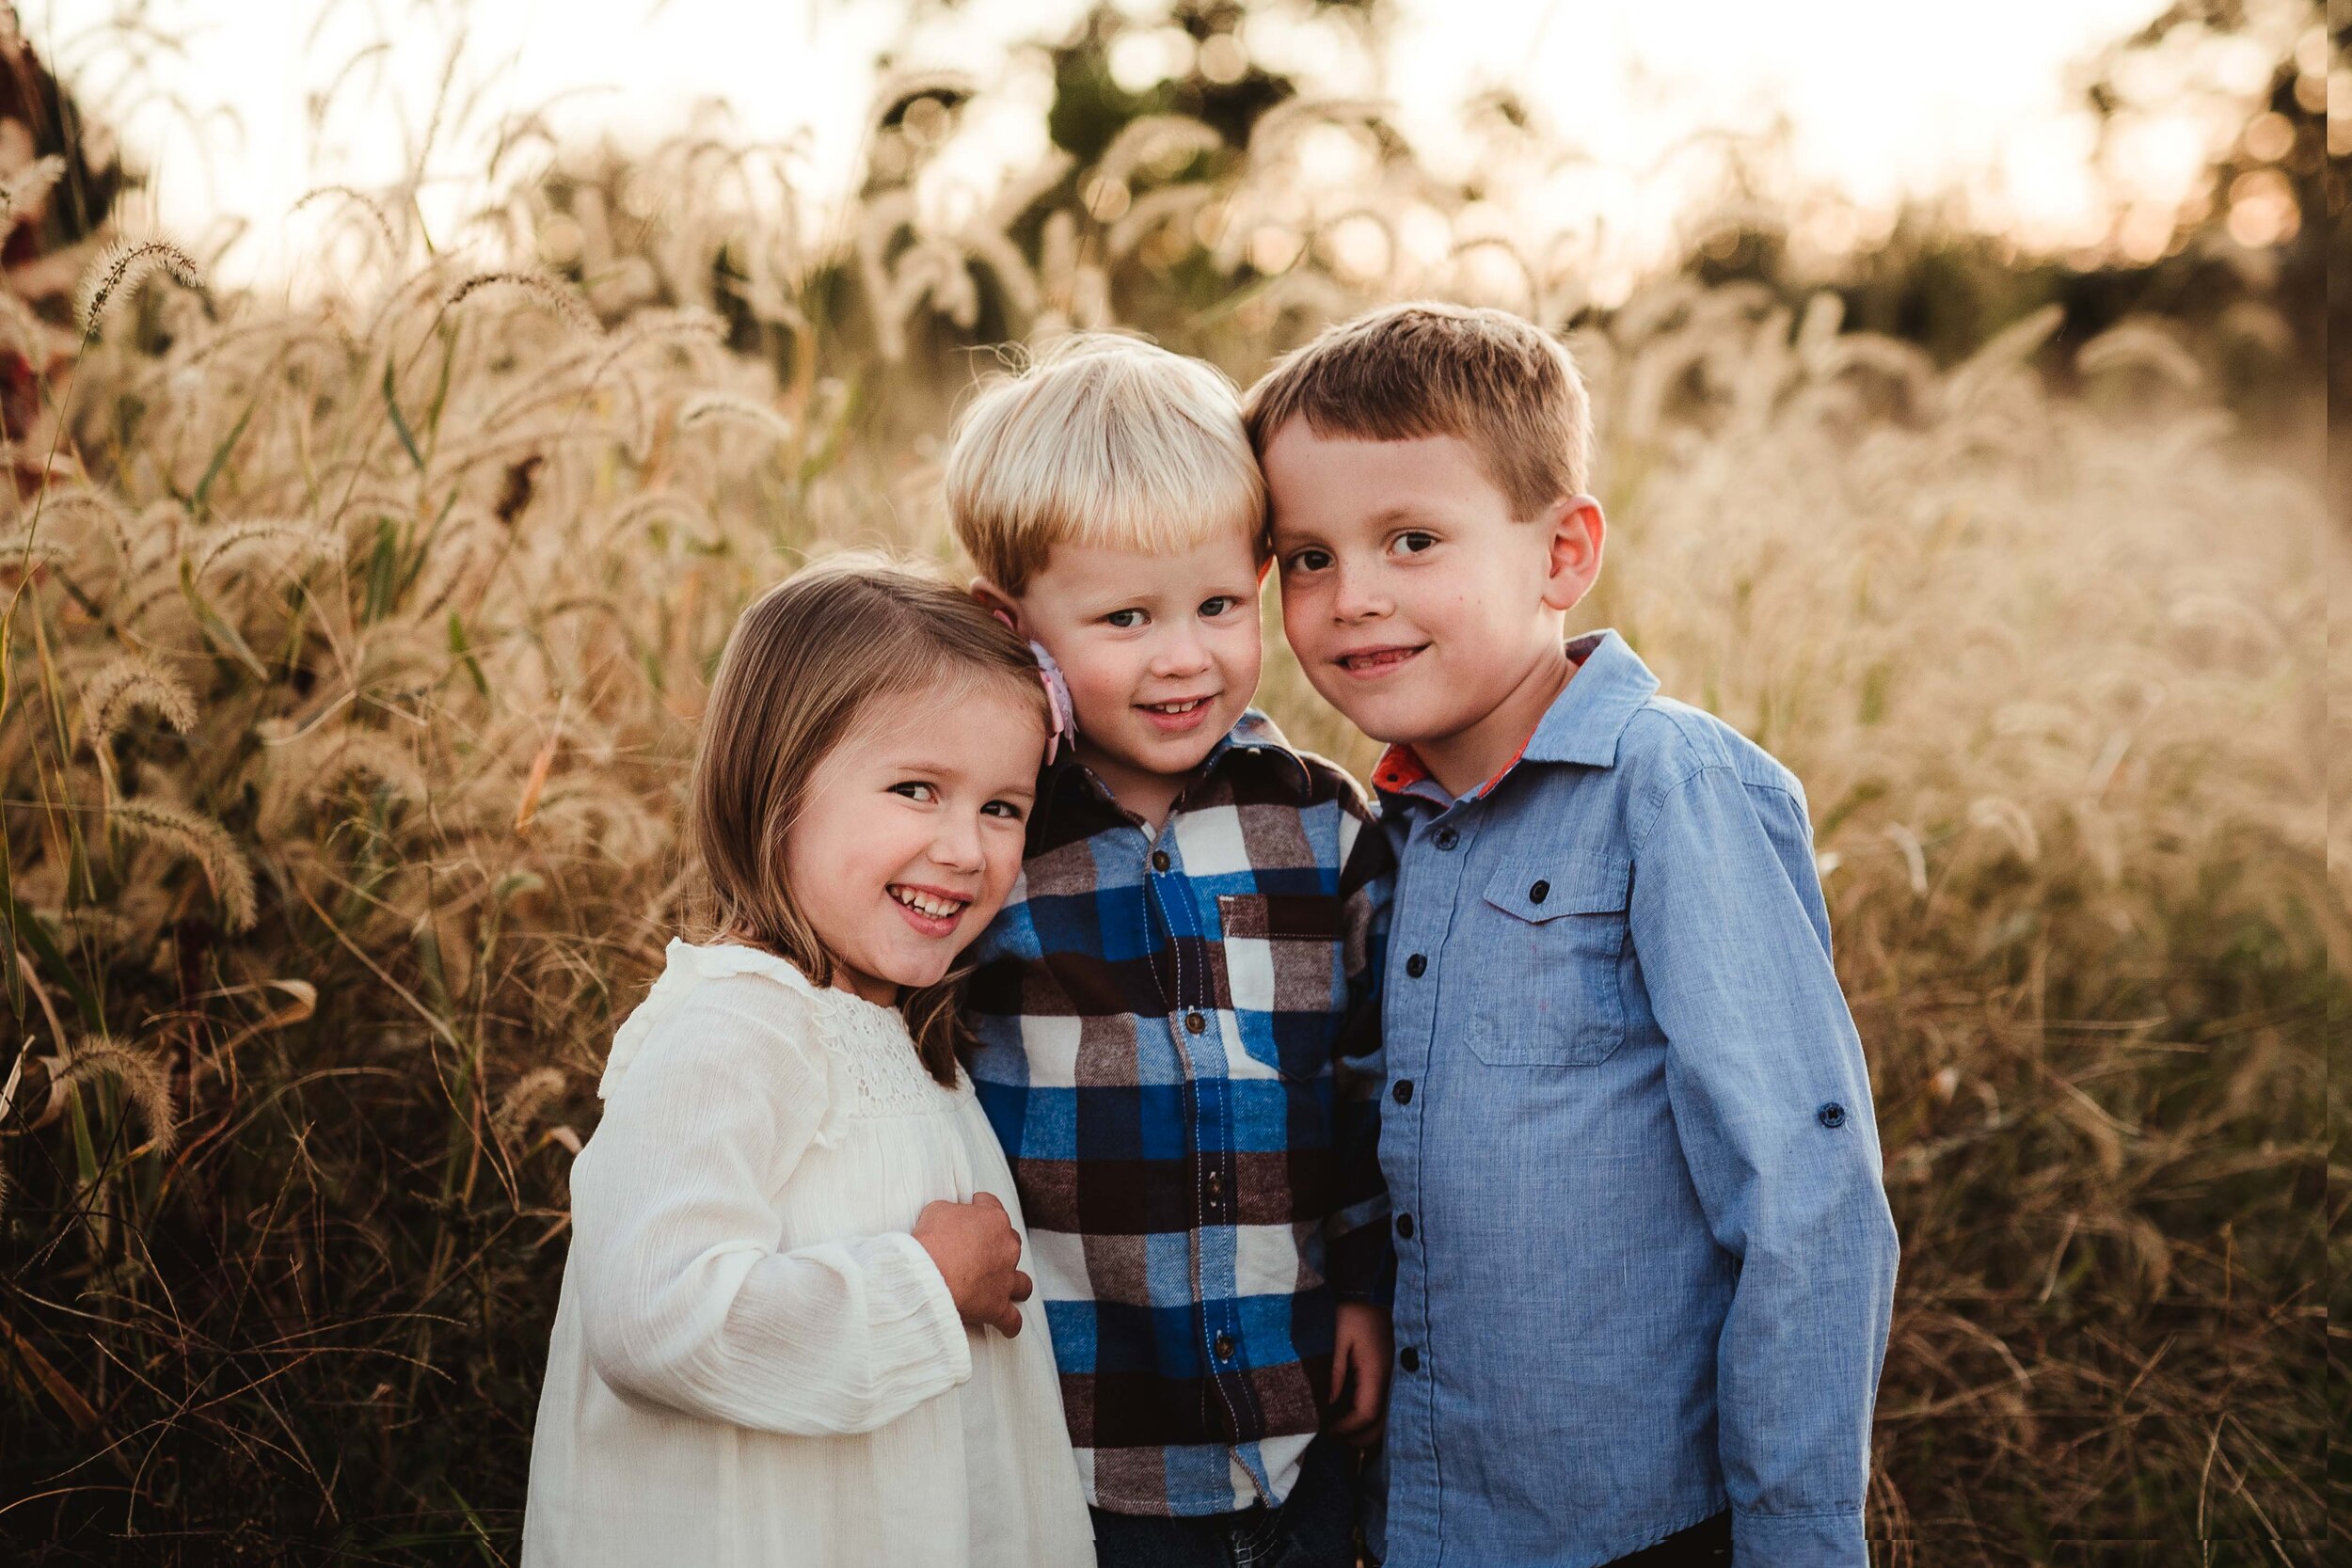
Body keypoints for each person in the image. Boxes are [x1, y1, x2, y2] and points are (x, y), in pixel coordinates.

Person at [1247, 302, 1901, 1568]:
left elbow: (1805, 1193)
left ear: (1563, 552)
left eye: (1413, 539)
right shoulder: (1387, 833)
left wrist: (1795, 1536)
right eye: (1307, 557)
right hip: (1437, 1509)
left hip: (1636, 1524)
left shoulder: (1672, 788)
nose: (1351, 597)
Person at [521, 559, 1093, 1568]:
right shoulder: (736, 1028)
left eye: (1002, 807)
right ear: (776, 789)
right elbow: (656, 1315)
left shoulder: (900, 1030)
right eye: (917, 789)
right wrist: (926, 1282)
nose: (967, 848)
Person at [947, 334, 1395, 1568]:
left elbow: (1360, 1077)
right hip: (1079, 1440)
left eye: (1218, 604)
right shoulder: (994, 841)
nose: (1183, 654)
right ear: (1012, 620)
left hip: (1296, 1419)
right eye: (1124, 616)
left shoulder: (1319, 822)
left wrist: (1364, 1279)